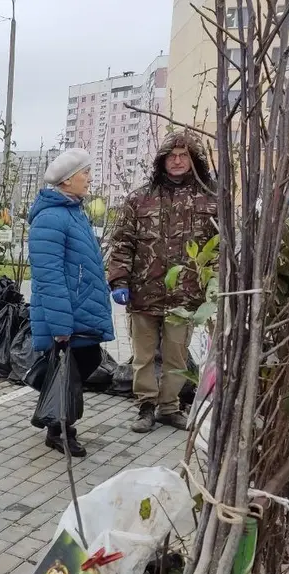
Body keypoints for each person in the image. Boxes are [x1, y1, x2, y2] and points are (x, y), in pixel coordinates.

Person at [108, 131, 217, 433]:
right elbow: (122, 243)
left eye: (184, 156)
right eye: (172, 156)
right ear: (162, 161)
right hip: (144, 293)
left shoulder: (210, 199)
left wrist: (214, 285)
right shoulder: (139, 199)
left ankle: (169, 407)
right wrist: (119, 281)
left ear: (194, 160)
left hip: (185, 296)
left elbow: (220, 246)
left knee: (176, 355)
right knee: (143, 357)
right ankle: (145, 407)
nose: (178, 161)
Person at [28, 148, 115, 458]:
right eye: (84, 173)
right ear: (66, 181)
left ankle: (57, 423)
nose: (89, 178)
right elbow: (48, 276)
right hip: (67, 312)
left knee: (80, 364)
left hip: (80, 307)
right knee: (70, 368)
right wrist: (61, 325)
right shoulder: (51, 218)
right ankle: (59, 429)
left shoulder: (73, 211)